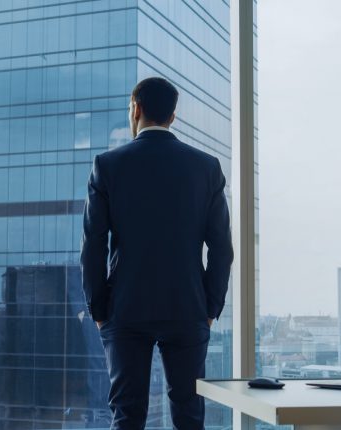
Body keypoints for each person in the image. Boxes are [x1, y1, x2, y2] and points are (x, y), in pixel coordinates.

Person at [80, 77, 233, 430]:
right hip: (187, 307)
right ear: (173, 117)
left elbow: (93, 245)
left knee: (127, 415)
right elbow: (222, 248)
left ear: (136, 109)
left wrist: (99, 309)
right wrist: (209, 307)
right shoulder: (206, 167)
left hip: (126, 308)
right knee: (189, 415)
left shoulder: (107, 165)